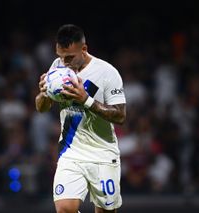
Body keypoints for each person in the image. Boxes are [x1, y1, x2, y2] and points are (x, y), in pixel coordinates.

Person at [35, 24, 126, 213]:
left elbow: (120, 115)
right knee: (65, 209)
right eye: (60, 56)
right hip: (71, 153)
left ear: (84, 49)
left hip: (102, 154)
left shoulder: (107, 73)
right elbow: (41, 108)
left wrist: (86, 100)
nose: (64, 62)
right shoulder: (57, 67)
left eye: (69, 57)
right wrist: (44, 94)